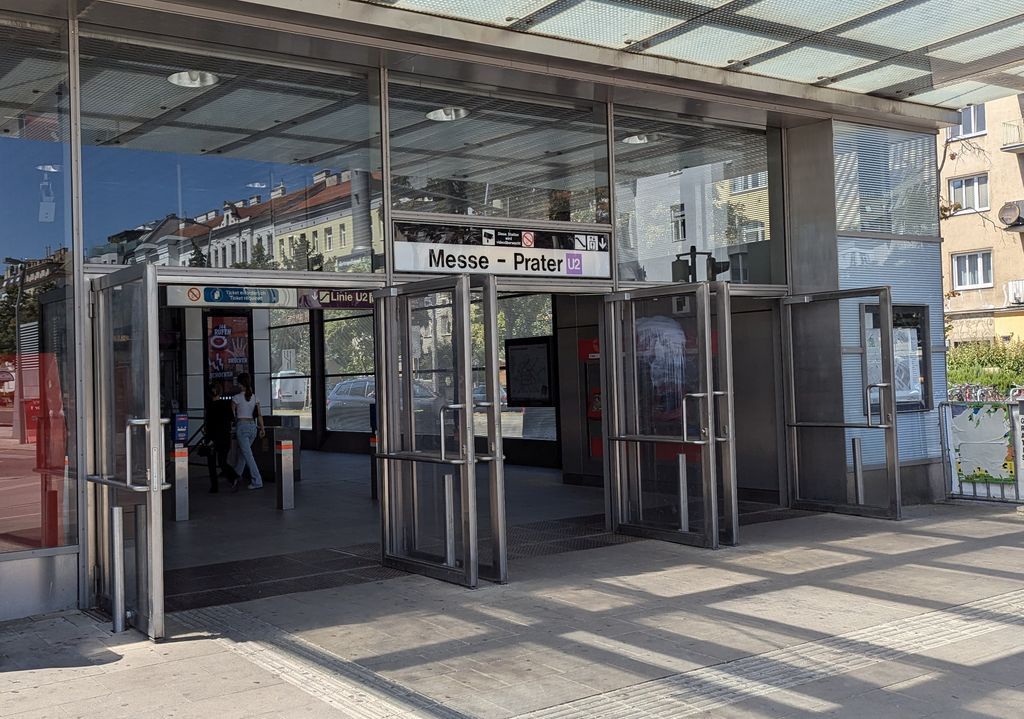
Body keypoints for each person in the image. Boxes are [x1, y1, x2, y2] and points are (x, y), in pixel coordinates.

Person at [231, 372, 266, 489]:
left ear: (240, 384)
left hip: (242, 427)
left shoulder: (236, 398)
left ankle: (257, 480)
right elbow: (259, 415)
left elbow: (233, 416)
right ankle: (235, 477)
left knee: (247, 455)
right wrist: (262, 428)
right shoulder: (255, 397)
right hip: (253, 427)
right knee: (243, 454)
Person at [204, 380, 238, 493]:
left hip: (213, 439)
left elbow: (208, 425)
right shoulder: (226, 405)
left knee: (212, 464)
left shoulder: (210, 407)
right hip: (224, 437)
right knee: (222, 461)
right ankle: (233, 476)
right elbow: (232, 420)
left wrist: (208, 439)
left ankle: (214, 487)